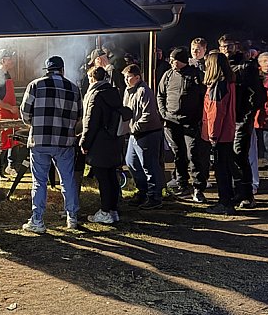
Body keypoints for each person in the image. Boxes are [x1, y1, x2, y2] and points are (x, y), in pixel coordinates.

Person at [19, 56, 82, 233]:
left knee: (39, 181)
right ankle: (72, 217)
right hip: (65, 141)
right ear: (62, 69)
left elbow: (24, 113)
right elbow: (79, 116)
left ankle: (37, 220)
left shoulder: (35, 85)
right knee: (67, 179)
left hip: (40, 140)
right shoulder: (74, 88)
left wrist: (34, 124)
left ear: (47, 70)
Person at [157, 47, 208, 202]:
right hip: (171, 122)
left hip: (190, 123)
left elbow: (203, 98)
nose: (172, 63)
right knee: (178, 154)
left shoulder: (196, 76)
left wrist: (198, 117)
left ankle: (198, 188)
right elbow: (160, 95)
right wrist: (164, 113)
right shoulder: (167, 75)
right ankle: (182, 185)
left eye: (175, 60)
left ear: (182, 60)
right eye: (171, 60)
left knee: (193, 154)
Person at [80, 66, 128, 224]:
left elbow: (90, 122)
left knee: (103, 179)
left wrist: (84, 142)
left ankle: (105, 211)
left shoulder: (95, 95)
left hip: (100, 143)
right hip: (114, 140)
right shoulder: (113, 93)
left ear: (92, 78)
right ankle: (113, 210)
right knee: (111, 177)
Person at [219, 34, 262, 209]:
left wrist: (247, 117)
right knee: (229, 158)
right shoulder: (222, 67)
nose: (226, 49)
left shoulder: (247, 67)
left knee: (240, 157)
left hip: (240, 119)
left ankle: (247, 195)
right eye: (223, 46)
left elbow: (256, 95)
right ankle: (236, 193)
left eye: (229, 45)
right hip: (226, 119)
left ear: (236, 46)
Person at [201, 52, 242, 215]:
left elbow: (215, 113)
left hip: (219, 135)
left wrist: (212, 136)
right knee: (226, 167)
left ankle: (224, 203)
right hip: (227, 132)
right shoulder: (229, 83)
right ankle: (228, 199)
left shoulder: (218, 86)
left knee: (221, 170)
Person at [123, 64, 165, 210]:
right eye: (125, 77)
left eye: (128, 77)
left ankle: (155, 196)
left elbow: (148, 114)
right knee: (131, 162)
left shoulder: (144, 91)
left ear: (137, 77)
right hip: (134, 134)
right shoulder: (128, 91)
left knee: (149, 165)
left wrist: (135, 127)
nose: (126, 80)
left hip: (147, 133)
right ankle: (142, 191)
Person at [0, 49, 19, 176]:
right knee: (1, 144)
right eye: (9, 58)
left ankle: (9, 166)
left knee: (12, 140)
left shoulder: (7, 74)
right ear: (2, 61)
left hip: (11, 113)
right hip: (2, 114)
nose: (12, 60)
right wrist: (10, 108)